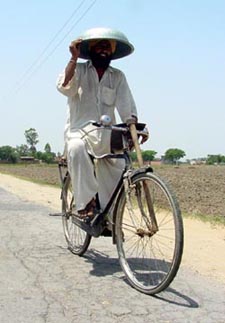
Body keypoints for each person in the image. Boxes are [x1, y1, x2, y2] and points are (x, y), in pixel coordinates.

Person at [57, 27, 138, 220]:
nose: (104, 49)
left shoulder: (117, 76)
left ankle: (110, 219)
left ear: (112, 52)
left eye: (108, 47)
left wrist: (134, 128)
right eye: (99, 45)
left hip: (105, 134)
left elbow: (127, 107)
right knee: (76, 149)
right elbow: (64, 86)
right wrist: (73, 58)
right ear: (91, 50)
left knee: (117, 165)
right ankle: (85, 203)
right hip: (79, 131)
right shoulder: (79, 69)